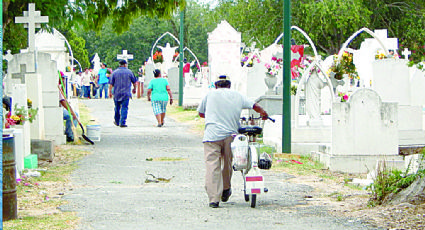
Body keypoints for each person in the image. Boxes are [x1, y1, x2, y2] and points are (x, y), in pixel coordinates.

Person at [197, 75, 269, 208]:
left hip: (212, 135)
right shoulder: (238, 95)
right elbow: (255, 106)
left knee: (212, 166)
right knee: (228, 162)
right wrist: (264, 114)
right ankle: (225, 189)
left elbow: (201, 113)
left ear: (216, 85)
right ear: (229, 85)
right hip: (231, 135)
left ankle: (214, 199)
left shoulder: (210, 95)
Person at [109, 60, 137, 127]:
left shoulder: (114, 73)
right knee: (124, 107)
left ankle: (117, 121)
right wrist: (134, 89)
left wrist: (110, 92)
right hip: (126, 93)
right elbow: (134, 82)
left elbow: (111, 84)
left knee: (117, 107)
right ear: (125, 64)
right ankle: (122, 122)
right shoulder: (129, 72)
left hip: (116, 93)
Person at [58, 72, 78, 142]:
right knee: (73, 115)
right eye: (62, 78)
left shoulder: (60, 87)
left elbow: (64, 100)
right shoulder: (57, 88)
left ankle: (70, 133)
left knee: (74, 114)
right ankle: (70, 135)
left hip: (59, 109)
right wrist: (72, 113)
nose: (63, 80)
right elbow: (63, 102)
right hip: (57, 111)